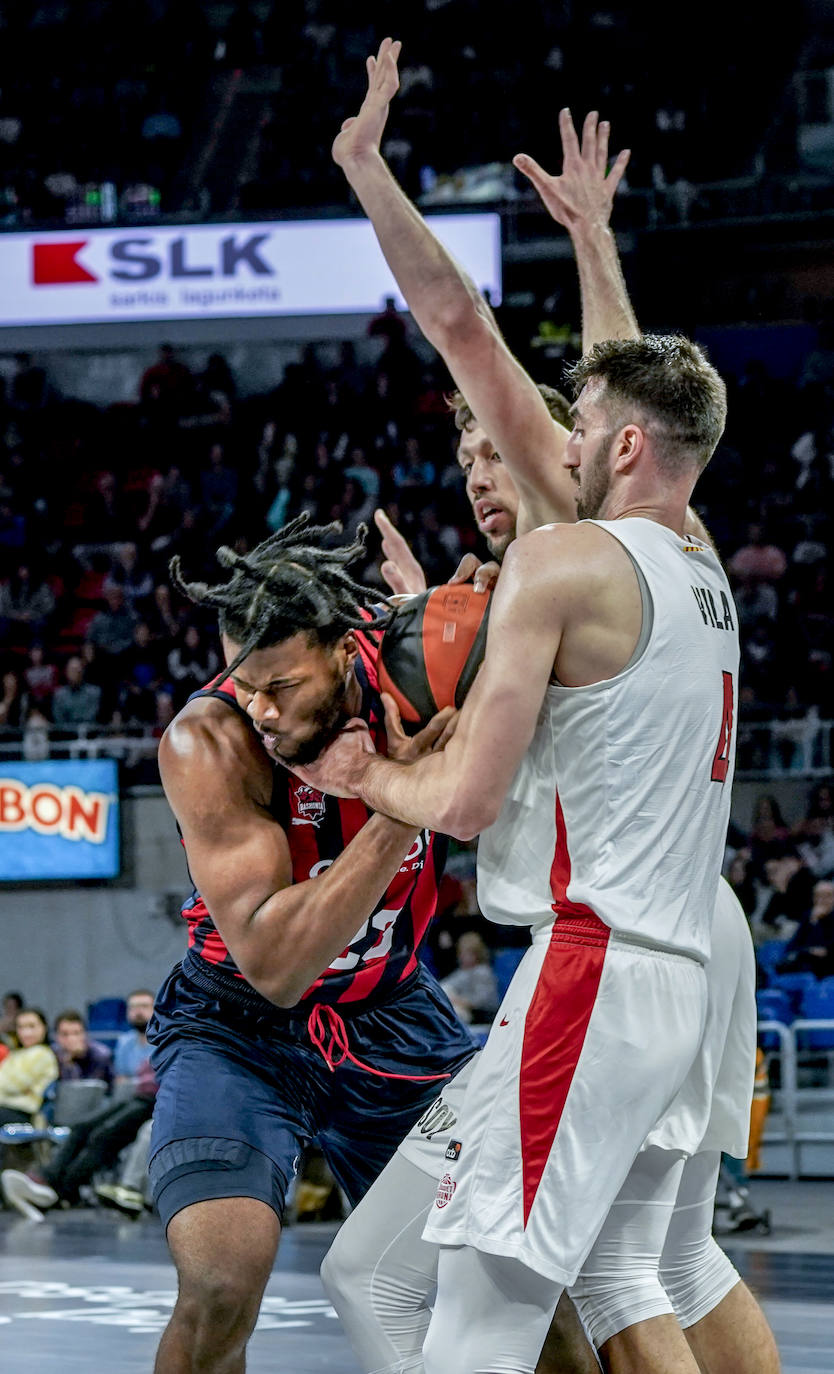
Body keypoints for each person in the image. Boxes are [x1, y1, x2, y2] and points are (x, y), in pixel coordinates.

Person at [318, 51, 777, 1374]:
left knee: (501, 1287)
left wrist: (369, 174)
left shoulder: (566, 529)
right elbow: (637, 391)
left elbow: (466, 326)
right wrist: (594, 243)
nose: (491, 461)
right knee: (654, 1259)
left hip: (615, 929)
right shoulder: (661, 547)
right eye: (467, 452)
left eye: (501, 439)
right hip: (685, 919)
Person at [146, 515, 477, 1373]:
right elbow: (277, 965)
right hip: (238, 1027)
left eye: (282, 686)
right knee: (220, 1283)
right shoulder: (208, 742)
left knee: (513, 1275)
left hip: (392, 1011)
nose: (260, 709)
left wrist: (478, 636)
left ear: (343, 652)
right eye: (244, 682)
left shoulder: (414, 676)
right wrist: (400, 802)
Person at [0, 1008, 58, 1127]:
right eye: (21, 1027)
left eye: (32, 1026)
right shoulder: (16, 1053)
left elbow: (12, 1085)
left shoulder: (43, 1053)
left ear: (44, 1027)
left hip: (24, 1113)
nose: (26, 1033)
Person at [440, 931, 499, 1025]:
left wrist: (457, 1001)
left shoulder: (483, 972)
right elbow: (443, 986)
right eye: (461, 953)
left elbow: (479, 1001)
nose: (463, 957)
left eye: (468, 954)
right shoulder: (462, 972)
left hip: (482, 1014)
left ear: (477, 954)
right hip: (464, 1009)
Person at [52, 1011, 113, 1087]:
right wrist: (67, 1062)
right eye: (65, 1034)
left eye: (76, 1033)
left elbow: (84, 1089)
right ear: (56, 1037)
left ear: (85, 1034)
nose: (71, 1039)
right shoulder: (51, 1055)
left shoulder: (101, 1056)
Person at [113, 990, 156, 1085]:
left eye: (144, 1006)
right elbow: (120, 1079)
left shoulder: (167, 1040)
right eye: (133, 1007)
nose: (138, 1012)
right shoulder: (123, 1041)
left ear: (156, 1010)